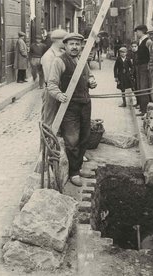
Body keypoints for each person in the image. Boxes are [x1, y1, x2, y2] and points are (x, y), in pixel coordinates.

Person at [47, 33, 97, 187]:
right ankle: (73, 173)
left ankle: (78, 167)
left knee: (84, 137)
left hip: (85, 103)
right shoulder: (59, 61)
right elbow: (52, 84)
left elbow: (89, 76)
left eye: (78, 44)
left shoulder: (82, 61)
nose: (75, 47)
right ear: (66, 45)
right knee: (72, 140)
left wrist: (91, 81)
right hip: (69, 107)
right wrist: (59, 95)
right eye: (72, 44)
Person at [40, 29, 68, 127]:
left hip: (60, 91)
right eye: (65, 40)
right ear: (58, 41)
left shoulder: (61, 53)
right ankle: (45, 142)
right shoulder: (48, 56)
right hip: (51, 92)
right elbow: (49, 79)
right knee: (49, 120)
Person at [134, 24, 151, 116]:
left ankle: (145, 110)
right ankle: (142, 108)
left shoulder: (147, 41)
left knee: (144, 88)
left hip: (144, 67)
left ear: (141, 31)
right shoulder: (140, 41)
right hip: (140, 67)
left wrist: (148, 65)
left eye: (137, 31)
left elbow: (151, 55)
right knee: (140, 87)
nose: (136, 33)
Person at [129, 41, 139, 107]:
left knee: (138, 88)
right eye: (132, 46)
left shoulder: (139, 54)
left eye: (135, 46)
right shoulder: (130, 54)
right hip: (133, 73)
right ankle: (137, 101)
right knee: (134, 88)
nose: (134, 48)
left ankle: (139, 102)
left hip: (138, 73)